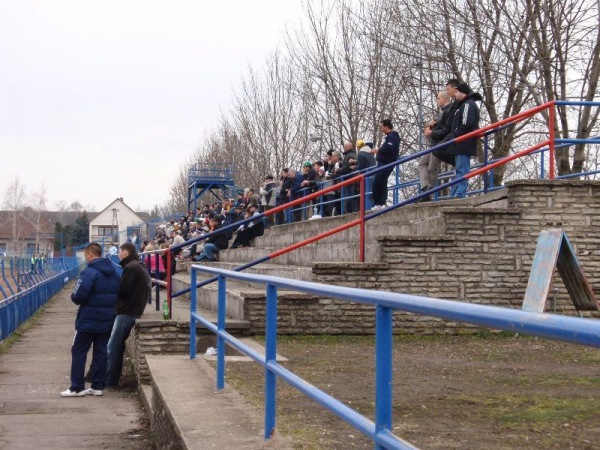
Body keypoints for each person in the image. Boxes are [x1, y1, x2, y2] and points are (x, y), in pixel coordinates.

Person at [61, 243, 119, 397]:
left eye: (86, 255)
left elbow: (78, 296)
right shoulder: (115, 273)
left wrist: (73, 296)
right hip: (107, 319)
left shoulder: (89, 272)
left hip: (88, 319)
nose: (85, 259)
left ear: (90, 255)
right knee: (101, 351)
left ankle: (77, 387)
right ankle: (97, 386)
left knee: (79, 351)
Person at [105, 243, 151, 388]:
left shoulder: (131, 268)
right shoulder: (138, 265)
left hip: (127, 311)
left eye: (120, 252)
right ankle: (111, 378)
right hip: (133, 309)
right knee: (115, 346)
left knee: (113, 347)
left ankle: (110, 381)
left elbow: (123, 291)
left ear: (125, 252)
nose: (118, 254)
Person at [436, 82, 482, 198]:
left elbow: (465, 124)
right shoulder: (459, 106)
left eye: (456, 92)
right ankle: (455, 193)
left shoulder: (468, 105)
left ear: (462, 92)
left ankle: (460, 193)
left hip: (464, 143)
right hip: (459, 143)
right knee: (458, 170)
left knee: (462, 170)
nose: (454, 95)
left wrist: (454, 136)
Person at [419, 91, 453, 201]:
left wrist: (432, 133)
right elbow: (440, 127)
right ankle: (426, 188)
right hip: (434, 144)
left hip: (440, 145)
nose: (437, 101)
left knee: (432, 168)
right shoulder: (442, 112)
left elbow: (447, 130)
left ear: (444, 99)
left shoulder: (449, 111)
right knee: (422, 163)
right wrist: (431, 127)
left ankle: (428, 193)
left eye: (438, 98)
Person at [370, 119, 401, 210]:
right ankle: (379, 203)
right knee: (380, 182)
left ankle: (380, 203)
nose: (381, 129)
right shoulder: (389, 137)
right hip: (383, 163)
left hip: (386, 163)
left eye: (382, 127)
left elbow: (389, 148)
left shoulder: (392, 137)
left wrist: (378, 150)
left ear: (386, 126)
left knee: (379, 182)